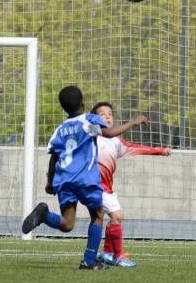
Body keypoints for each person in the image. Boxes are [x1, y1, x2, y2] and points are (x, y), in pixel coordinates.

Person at [21, 85, 147, 270]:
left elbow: (54, 156)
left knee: (67, 223)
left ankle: (45, 215)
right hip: (85, 179)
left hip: (64, 179)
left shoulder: (60, 129)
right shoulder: (89, 120)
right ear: (83, 103)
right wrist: (133, 122)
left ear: (64, 107)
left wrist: (50, 181)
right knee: (98, 215)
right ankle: (89, 261)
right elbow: (109, 133)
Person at [91, 101, 173, 268]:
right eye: (102, 114)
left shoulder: (116, 141)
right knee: (117, 216)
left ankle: (107, 253)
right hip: (93, 186)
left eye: (110, 114)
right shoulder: (91, 134)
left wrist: (159, 151)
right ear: (93, 119)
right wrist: (133, 122)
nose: (107, 116)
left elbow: (135, 148)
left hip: (107, 188)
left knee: (114, 218)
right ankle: (119, 256)